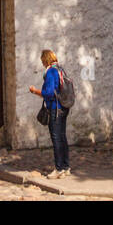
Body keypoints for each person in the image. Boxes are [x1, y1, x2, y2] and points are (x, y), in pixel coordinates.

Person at [29, 49, 70, 178]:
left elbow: (49, 93)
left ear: (45, 60)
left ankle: (58, 169)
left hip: (55, 109)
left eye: (42, 61)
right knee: (62, 137)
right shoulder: (60, 69)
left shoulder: (51, 72)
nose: (42, 63)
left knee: (56, 138)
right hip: (63, 107)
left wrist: (35, 91)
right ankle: (65, 167)